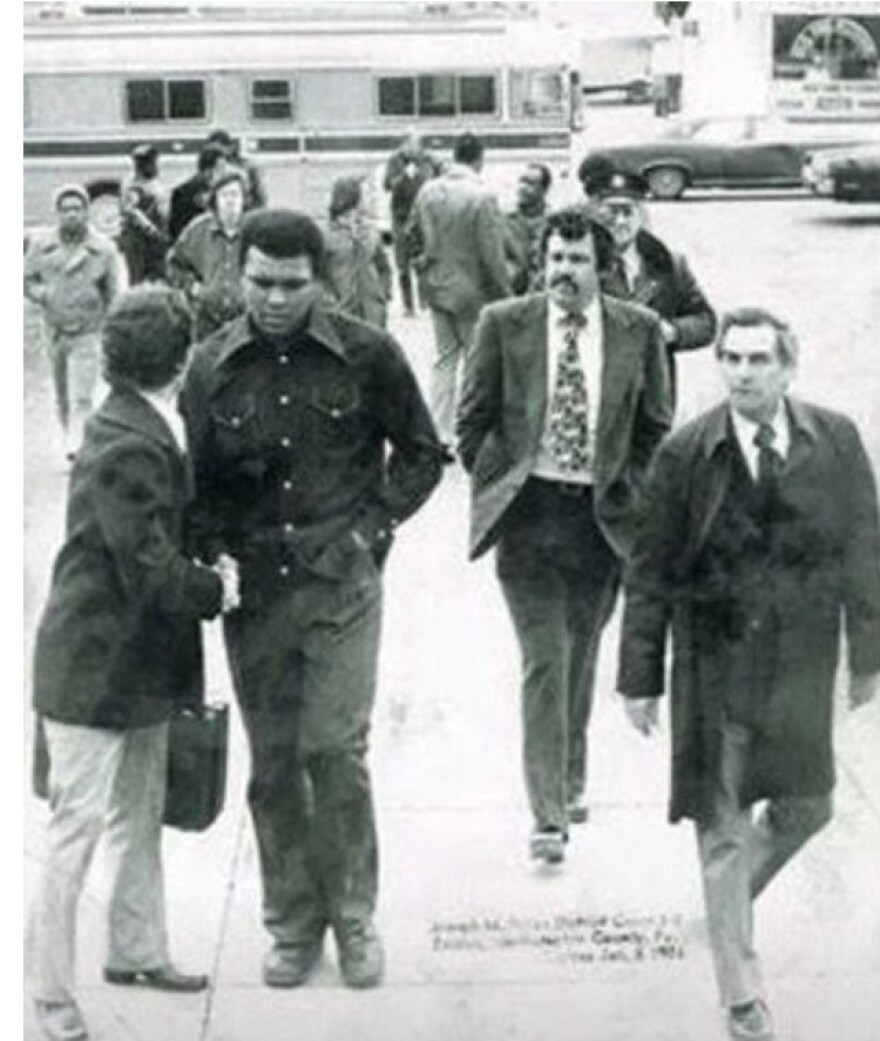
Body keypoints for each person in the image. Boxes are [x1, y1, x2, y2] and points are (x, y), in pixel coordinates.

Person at [181, 209, 446, 991]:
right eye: (259, 281)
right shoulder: (209, 365)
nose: (272, 297)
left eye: (291, 284)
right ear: (241, 276)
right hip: (256, 595)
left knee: (335, 751)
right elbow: (196, 487)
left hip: (342, 586)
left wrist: (371, 530)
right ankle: (293, 925)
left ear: (319, 281)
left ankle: (355, 917)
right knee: (274, 762)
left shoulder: (369, 353)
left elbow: (424, 455)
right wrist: (212, 552)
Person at [617, 308, 880, 1041]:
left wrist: (869, 656)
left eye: (759, 359)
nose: (742, 372)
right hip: (713, 664)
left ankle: (724, 907)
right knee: (722, 829)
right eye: (731, 358)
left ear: (788, 367)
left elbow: (867, 548)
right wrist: (640, 675)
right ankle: (741, 993)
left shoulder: (835, 440)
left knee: (811, 805)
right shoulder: (685, 453)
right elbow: (649, 571)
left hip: (800, 662)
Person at [26, 285, 240, 1041]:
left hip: (128, 665)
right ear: (178, 361)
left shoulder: (138, 419)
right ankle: (47, 1001)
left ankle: (137, 949)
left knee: (138, 815)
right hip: (92, 672)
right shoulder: (128, 438)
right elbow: (147, 562)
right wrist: (215, 586)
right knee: (75, 829)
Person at [456, 206, 672, 865]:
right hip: (529, 516)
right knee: (545, 662)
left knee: (580, 657)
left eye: (577, 260)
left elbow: (656, 424)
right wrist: (501, 478)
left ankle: (571, 776)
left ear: (602, 268)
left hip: (601, 521)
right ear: (540, 261)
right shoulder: (503, 322)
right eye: (554, 258)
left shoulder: (637, 330)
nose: (563, 272)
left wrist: (626, 486)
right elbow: (472, 420)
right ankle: (547, 815)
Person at [409, 131, 511, 446]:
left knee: (444, 359)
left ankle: (439, 431)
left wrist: (421, 267)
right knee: (474, 360)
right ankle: (468, 429)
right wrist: (506, 294)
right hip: (473, 291)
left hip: (437, 287)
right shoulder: (483, 196)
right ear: (479, 159)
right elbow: (491, 255)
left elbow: (410, 232)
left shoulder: (428, 191)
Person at [585, 167, 717, 407]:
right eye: (611, 212)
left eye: (628, 212)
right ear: (594, 215)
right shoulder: (575, 263)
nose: (620, 221)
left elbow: (705, 322)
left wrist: (673, 331)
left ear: (641, 215)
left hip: (653, 396)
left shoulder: (668, 264)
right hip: (595, 394)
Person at [24, 183, 123, 461]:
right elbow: (26, 279)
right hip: (54, 330)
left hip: (88, 331)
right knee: (62, 394)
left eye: (77, 209)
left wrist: (110, 326)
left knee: (82, 395)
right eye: (66, 210)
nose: (72, 215)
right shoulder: (41, 246)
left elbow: (114, 293)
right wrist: (43, 294)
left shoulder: (103, 250)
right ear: (57, 213)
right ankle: (70, 433)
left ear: (87, 212)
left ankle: (77, 446)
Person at [166, 166, 249, 340]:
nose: (230, 201)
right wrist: (193, 288)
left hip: (246, 323)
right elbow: (174, 265)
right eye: (224, 195)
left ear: (244, 199)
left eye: (235, 195)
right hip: (207, 324)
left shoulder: (256, 231)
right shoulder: (197, 230)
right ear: (215, 199)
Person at [382, 129, 441, 316]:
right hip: (401, 216)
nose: (417, 148)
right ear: (404, 145)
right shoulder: (395, 161)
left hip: (423, 215)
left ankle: (425, 302)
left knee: (423, 259)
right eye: (413, 144)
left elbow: (440, 176)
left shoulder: (428, 159)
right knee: (402, 263)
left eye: (418, 144)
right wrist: (402, 176)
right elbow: (387, 185)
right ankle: (408, 306)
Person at [322, 175, 392, 329]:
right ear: (352, 197)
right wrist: (328, 303)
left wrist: (382, 296)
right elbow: (317, 275)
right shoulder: (325, 236)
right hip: (340, 315)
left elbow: (383, 267)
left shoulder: (372, 233)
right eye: (366, 193)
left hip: (373, 316)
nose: (371, 197)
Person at [118, 144, 169, 285]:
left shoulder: (153, 182)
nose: (154, 166)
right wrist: (149, 228)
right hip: (138, 240)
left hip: (156, 239)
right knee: (139, 278)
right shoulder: (133, 185)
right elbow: (130, 210)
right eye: (151, 163)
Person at [504, 162, 552, 296]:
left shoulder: (553, 222)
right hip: (509, 296)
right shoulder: (503, 219)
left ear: (544, 190)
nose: (523, 188)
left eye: (530, 183)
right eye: (521, 181)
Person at [168, 142, 229, 242]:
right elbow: (177, 231)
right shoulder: (183, 193)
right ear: (207, 170)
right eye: (220, 169)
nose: (224, 173)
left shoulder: (223, 192)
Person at [205, 127, 268, 211]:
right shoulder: (208, 168)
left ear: (230, 148)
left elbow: (260, 197)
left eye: (220, 150)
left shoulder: (249, 167)